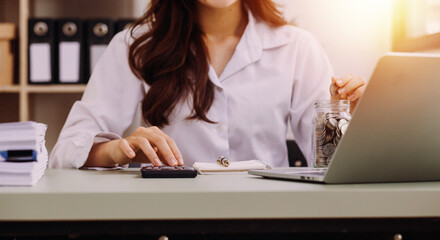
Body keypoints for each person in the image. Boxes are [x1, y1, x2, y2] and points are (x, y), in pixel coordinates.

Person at [49, 0, 366, 169]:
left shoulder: (296, 46)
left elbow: (329, 164)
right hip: (171, 221)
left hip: (269, 219)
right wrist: (120, 149)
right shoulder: (134, 44)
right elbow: (66, 152)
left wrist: (340, 117)